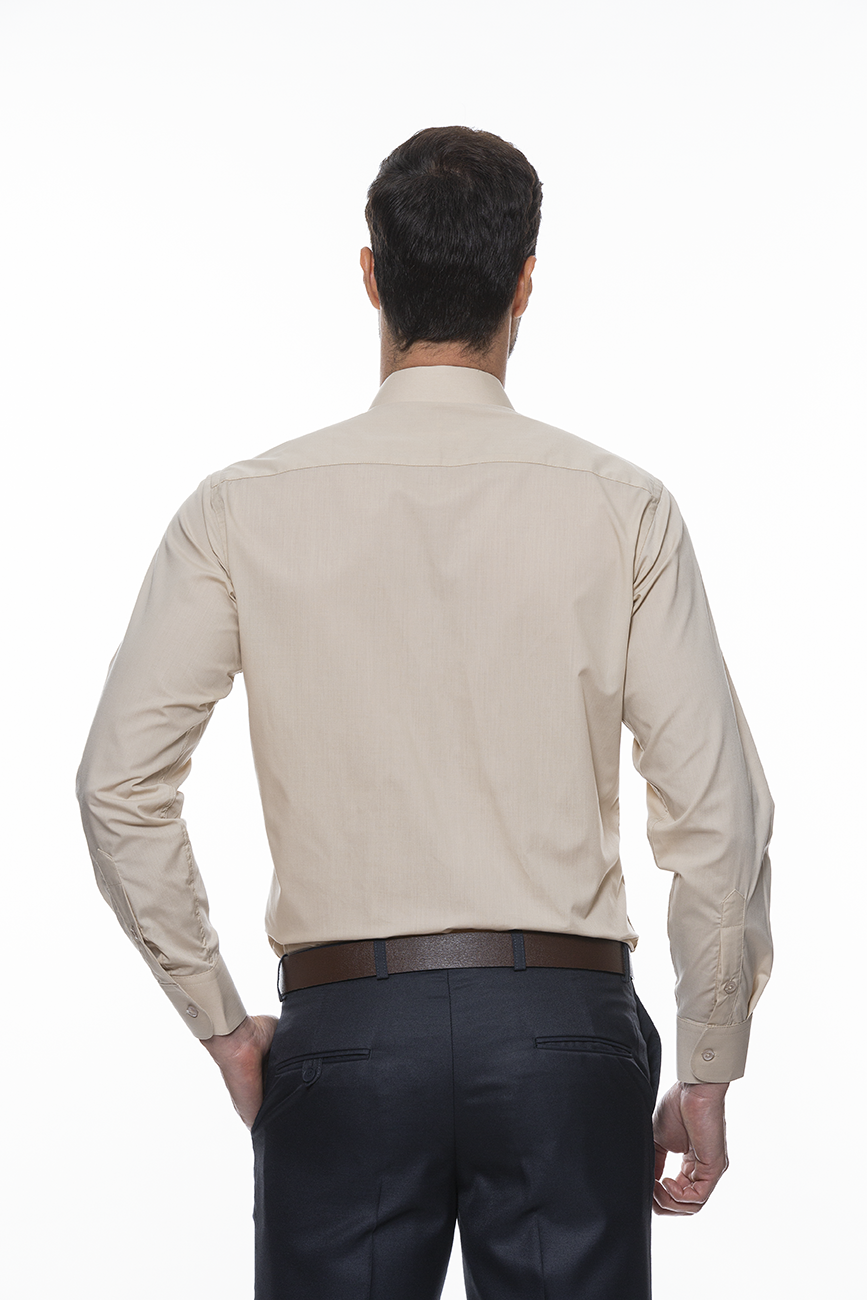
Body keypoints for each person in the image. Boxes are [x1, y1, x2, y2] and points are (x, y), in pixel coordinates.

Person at [76, 125, 773, 1299]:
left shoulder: (241, 509)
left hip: (345, 1034)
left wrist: (222, 1022)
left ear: (370, 275)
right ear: (524, 282)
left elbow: (118, 784)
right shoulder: (624, 508)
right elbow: (719, 811)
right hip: (562, 1035)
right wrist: (708, 1059)